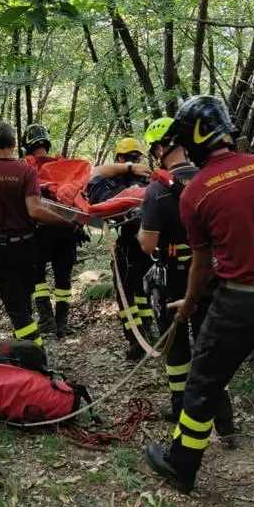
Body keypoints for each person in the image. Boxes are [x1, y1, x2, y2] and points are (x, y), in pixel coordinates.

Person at [143, 95, 254, 493]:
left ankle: (182, 466)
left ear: (193, 140)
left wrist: (189, 305)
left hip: (236, 301)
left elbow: (201, 263)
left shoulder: (194, 192)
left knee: (204, 383)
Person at [138, 117, 233, 436]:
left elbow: (147, 243)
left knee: (176, 345)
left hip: (175, 276)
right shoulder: (210, 178)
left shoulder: (155, 191)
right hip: (212, 273)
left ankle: (180, 407)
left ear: (162, 148)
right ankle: (224, 418)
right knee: (210, 344)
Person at [0, 122, 71, 357]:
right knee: (23, 301)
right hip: (25, 245)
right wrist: (67, 221)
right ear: (14, 144)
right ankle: (29, 349)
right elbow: (35, 210)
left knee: (16, 308)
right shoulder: (26, 172)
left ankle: (36, 355)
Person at [87, 137, 154, 360]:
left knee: (126, 294)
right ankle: (147, 330)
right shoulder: (151, 182)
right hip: (152, 245)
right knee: (142, 290)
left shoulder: (114, 184)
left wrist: (125, 168)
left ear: (119, 159)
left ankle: (136, 341)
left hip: (130, 246)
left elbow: (93, 175)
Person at [22, 123, 82, 338]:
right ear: (47, 142)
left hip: (39, 230)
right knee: (63, 277)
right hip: (67, 229)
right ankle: (62, 324)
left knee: (37, 275)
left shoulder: (26, 168)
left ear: (26, 146)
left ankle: (47, 321)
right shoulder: (64, 166)